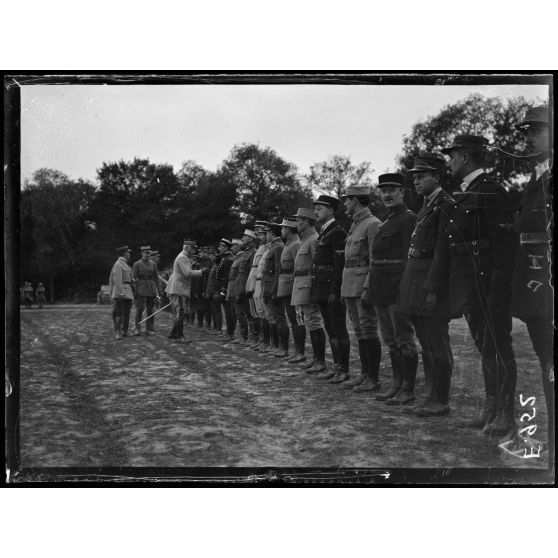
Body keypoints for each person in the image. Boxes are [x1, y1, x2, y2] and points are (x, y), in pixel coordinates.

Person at [425, 135, 519, 438]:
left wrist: (498, 288)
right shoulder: (463, 194)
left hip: (489, 286)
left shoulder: (491, 192)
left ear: (466, 157)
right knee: (485, 347)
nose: (449, 162)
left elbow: (505, 246)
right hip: (468, 287)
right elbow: (449, 247)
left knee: (499, 346)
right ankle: (490, 409)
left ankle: (506, 413)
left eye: (452, 156)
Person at [398, 155, 455, 416]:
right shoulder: (427, 205)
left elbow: (443, 253)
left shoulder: (445, 204)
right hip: (417, 279)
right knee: (426, 342)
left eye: (422, 176)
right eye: (415, 177)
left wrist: (434, 288)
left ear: (437, 177)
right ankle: (431, 394)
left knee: (437, 342)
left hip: (431, 283)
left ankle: (441, 398)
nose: (416, 181)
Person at [512, 105, 554, 461]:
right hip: (538, 285)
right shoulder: (539, 175)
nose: (528, 138)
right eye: (527, 131)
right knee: (547, 360)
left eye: (537, 130)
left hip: (549, 285)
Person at [363, 173, 418, 405]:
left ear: (402, 192)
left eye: (392, 190)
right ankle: (396, 385)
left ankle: (408, 388)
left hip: (397, 287)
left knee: (404, 339)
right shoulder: (386, 221)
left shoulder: (408, 219)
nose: (386, 195)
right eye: (383, 191)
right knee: (390, 340)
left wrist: (405, 289)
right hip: (380, 288)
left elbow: (410, 258)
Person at [340, 185, 382, 392]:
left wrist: (368, 287)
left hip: (362, 285)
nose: (345, 204)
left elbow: (375, 260)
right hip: (350, 284)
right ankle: (365, 374)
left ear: (355, 200)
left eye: (347, 200)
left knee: (368, 328)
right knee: (359, 330)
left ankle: (373, 378)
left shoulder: (373, 224)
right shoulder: (356, 224)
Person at [311, 195, 351, 383]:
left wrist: (336, 291)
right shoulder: (324, 232)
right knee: (330, 328)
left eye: (320, 208)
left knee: (338, 328)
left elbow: (339, 264)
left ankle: (343, 369)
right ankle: (336, 366)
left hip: (332, 289)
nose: (316, 212)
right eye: (316, 208)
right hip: (322, 286)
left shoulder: (337, 232)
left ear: (331, 210)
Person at [291, 207, 327, 374]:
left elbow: (317, 265)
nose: (296, 224)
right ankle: (316, 359)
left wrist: (316, 289)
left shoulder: (313, 239)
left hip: (309, 285)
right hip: (301, 283)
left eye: (298, 221)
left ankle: (320, 361)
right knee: (309, 322)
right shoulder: (305, 239)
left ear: (306, 222)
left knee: (314, 321)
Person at [277, 218, 305, 362]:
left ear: (288, 229)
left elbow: (297, 268)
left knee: (297, 320)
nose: (281, 231)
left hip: (293, 287)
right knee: (292, 320)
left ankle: (300, 352)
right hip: (286, 287)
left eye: (283, 228)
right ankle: (296, 351)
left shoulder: (296, 245)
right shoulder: (288, 245)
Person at [166, 240, 205, 342]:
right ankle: (180, 336)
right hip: (179, 287)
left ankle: (173, 333)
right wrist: (201, 271)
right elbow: (187, 273)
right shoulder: (182, 257)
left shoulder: (183, 257)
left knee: (180, 311)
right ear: (187, 247)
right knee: (181, 311)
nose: (194, 250)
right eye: (193, 248)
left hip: (179, 287)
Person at [261, 222, 287, 356]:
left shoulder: (277, 247)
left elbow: (278, 270)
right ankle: (275, 344)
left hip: (273, 287)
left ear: (271, 233)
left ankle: (282, 347)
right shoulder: (273, 247)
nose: (266, 235)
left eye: (267, 232)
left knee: (279, 317)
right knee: (272, 317)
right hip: (268, 285)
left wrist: (275, 290)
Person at [246, 222, 269, 348]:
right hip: (255, 279)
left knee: (263, 312)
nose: (257, 233)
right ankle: (260, 339)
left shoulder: (266, 246)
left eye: (259, 231)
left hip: (260, 280)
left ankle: (265, 340)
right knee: (257, 312)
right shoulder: (261, 246)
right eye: (256, 231)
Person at [233, 229, 257, 344]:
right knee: (240, 313)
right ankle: (244, 337)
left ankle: (253, 337)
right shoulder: (245, 252)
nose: (243, 238)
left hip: (246, 287)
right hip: (240, 285)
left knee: (249, 313)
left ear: (251, 239)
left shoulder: (253, 252)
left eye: (246, 236)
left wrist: (246, 288)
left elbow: (250, 273)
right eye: (243, 236)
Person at [132, 246, 161, 336]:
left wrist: (159, 290)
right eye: (145, 253)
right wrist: (135, 291)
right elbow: (133, 279)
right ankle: (138, 327)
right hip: (140, 288)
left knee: (150, 309)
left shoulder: (153, 264)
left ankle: (149, 328)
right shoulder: (137, 264)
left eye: (148, 253)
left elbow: (156, 278)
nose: (147, 255)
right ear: (142, 253)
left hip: (151, 288)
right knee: (140, 308)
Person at [108, 245, 134, 339]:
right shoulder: (118, 264)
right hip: (121, 293)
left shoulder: (125, 264)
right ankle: (117, 332)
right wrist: (121, 292)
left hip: (128, 292)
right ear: (124, 254)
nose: (129, 254)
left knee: (127, 313)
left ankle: (125, 331)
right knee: (118, 313)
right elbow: (117, 280)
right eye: (128, 252)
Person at [214, 239, 236, 341]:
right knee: (227, 311)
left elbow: (227, 277)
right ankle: (228, 332)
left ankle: (230, 333)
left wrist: (224, 291)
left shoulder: (228, 259)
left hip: (227, 289)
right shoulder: (224, 258)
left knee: (229, 312)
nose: (219, 248)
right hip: (223, 288)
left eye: (221, 247)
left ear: (226, 247)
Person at [224, 238, 244, 342]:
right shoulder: (237, 258)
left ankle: (242, 336)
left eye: (233, 246)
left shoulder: (240, 258)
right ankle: (237, 335)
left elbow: (239, 276)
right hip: (232, 287)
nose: (231, 248)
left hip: (236, 287)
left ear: (238, 246)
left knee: (238, 313)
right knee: (235, 312)